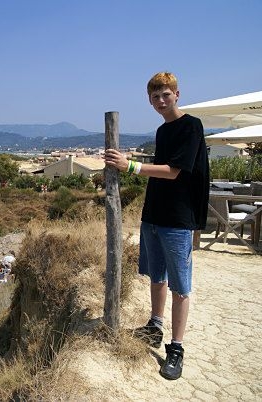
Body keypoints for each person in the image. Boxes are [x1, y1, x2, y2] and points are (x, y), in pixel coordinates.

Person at [104, 72, 209, 381]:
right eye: (155, 97)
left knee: (180, 285)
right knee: (156, 276)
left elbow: (174, 171)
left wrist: (130, 166)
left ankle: (176, 348)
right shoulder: (163, 131)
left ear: (177, 94)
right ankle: (155, 326)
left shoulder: (192, 126)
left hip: (178, 219)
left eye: (165, 94)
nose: (160, 101)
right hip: (154, 216)